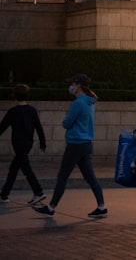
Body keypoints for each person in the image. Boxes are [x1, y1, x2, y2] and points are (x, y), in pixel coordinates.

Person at [32, 74, 107, 219]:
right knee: (90, 177)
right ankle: (102, 207)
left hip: (76, 144)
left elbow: (67, 123)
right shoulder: (90, 102)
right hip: (85, 144)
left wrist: (66, 120)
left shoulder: (78, 103)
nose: (71, 86)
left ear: (78, 85)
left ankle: (51, 207)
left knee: (63, 175)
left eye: (73, 83)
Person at [0, 84, 47, 205]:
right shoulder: (31, 110)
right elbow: (38, 127)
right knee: (14, 168)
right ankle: (4, 194)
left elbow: (2, 127)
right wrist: (42, 142)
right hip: (28, 143)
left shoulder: (13, 112)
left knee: (26, 169)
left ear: (14, 96)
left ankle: (39, 191)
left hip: (18, 144)